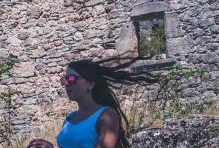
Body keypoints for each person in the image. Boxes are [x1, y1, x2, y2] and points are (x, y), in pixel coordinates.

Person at [27, 57, 157, 148]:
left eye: (72, 79)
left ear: (90, 83)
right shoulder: (70, 119)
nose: (67, 84)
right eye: (65, 80)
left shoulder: (106, 115)